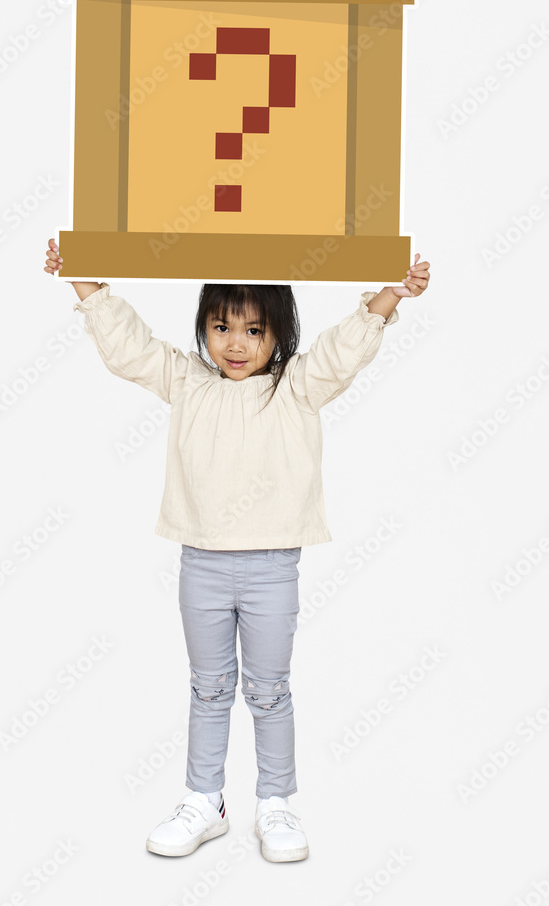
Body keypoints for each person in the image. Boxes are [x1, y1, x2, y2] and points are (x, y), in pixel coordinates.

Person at [43, 239, 430, 863]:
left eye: (254, 329)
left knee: (270, 689)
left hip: (273, 567)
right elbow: (129, 347)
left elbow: (345, 349)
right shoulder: (187, 381)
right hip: (201, 563)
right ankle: (205, 801)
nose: (236, 344)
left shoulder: (297, 385)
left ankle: (275, 803)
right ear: (203, 328)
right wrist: (82, 278)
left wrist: (392, 295)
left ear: (281, 332)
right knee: (208, 687)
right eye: (221, 326)